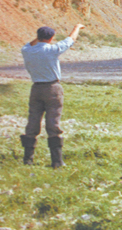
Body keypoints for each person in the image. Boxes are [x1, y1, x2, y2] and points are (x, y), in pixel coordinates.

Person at [20, 23, 84, 168]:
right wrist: (77, 27)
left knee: (33, 122)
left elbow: (30, 44)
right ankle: (57, 161)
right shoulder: (52, 49)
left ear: (38, 37)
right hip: (52, 88)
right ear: (51, 38)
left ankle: (28, 159)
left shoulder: (27, 50)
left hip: (35, 88)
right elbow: (70, 39)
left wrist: (38, 38)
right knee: (53, 123)